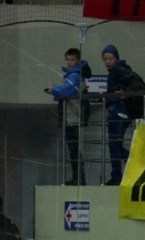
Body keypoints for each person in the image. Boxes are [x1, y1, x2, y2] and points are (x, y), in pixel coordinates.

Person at [100, 44, 145, 186]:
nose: (108, 61)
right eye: (105, 59)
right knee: (115, 144)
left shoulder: (120, 70)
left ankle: (121, 173)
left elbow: (138, 84)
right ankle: (134, 167)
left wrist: (125, 93)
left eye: (111, 58)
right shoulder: (117, 71)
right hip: (121, 111)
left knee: (114, 144)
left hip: (120, 111)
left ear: (116, 58)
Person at [46, 47, 91, 186]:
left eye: (72, 60)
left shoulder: (75, 76)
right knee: (73, 148)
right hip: (73, 114)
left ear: (78, 60)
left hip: (72, 114)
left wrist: (53, 89)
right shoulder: (76, 74)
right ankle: (78, 177)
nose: (69, 62)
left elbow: (66, 91)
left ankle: (79, 178)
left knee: (73, 148)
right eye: (68, 60)